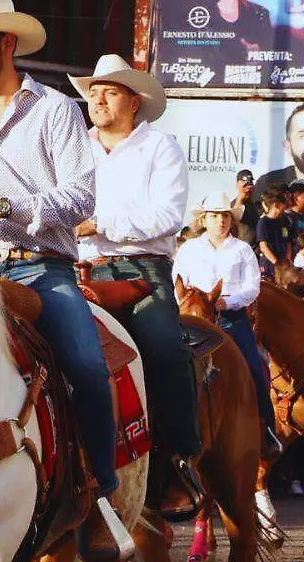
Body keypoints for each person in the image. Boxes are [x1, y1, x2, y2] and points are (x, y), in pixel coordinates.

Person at [0, 0, 130, 559]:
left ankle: (99, 497)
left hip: (42, 267)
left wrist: (12, 208)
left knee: (87, 367)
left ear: (7, 43)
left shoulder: (56, 110)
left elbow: (80, 197)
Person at [70, 53, 204, 520]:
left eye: (109, 91)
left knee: (165, 351)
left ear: (134, 101)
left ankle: (177, 462)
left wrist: (97, 224)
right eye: (93, 91)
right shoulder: (73, 147)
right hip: (79, 270)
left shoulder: (160, 148)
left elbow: (167, 217)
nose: (98, 99)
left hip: (143, 273)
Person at [172, 192, 281, 453]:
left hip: (231, 319)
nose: (220, 221)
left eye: (224, 216)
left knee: (255, 369)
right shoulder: (188, 249)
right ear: (204, 220)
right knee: (172, 369)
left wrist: (226, 302)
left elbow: (252, 288)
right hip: (193, 320)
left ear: (231, 220)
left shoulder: (243, 250)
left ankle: (267, 431)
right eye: (214, 216)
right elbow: (175, 281)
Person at [255, 190, 292, 279]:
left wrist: (287, 260)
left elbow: (287, 241)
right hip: (269, 265)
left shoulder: (284, 221)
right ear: (276, 205)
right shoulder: (263, 222)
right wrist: (277, 264)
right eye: (284, 203)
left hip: (284, 263)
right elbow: (263, 246)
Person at [233, 169, 260, 244]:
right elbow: (234, 218)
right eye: (245, 183)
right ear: (237, 184)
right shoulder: (234, 204)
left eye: (250, 183)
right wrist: (241, 197)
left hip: (255, 249)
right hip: (241, 247)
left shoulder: (255, 205)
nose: (248, 186)